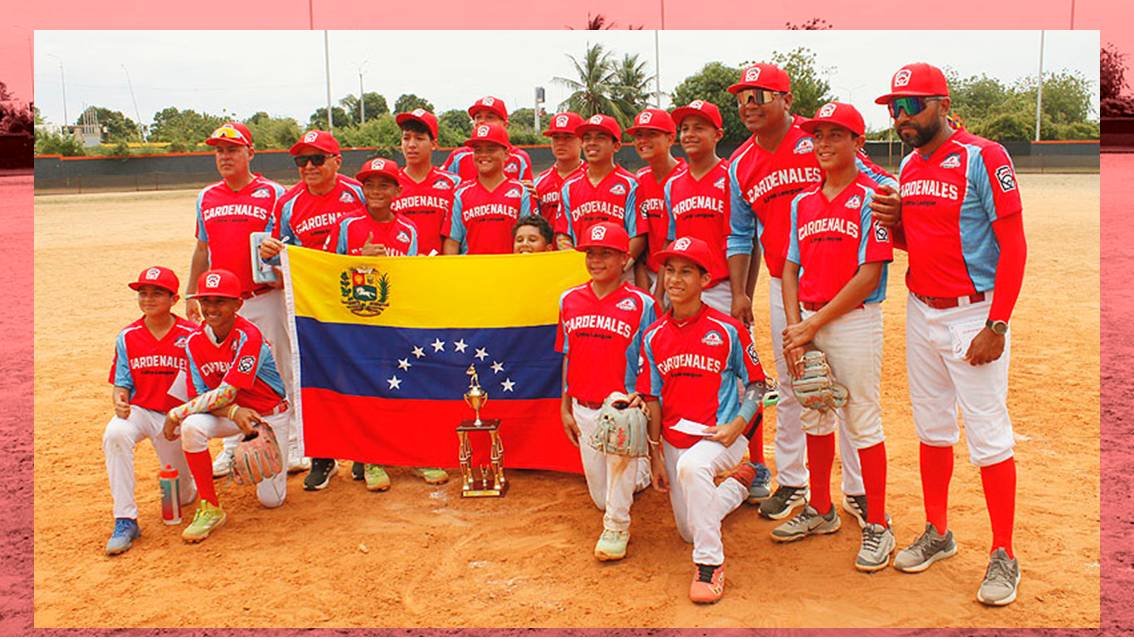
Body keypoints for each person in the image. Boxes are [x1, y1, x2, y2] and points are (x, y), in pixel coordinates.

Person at [872, 62, 1027, 605]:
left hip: (973, 313)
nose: (900, 117)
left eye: (911, 105)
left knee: (988, 435)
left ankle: (1004, 554)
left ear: (942, 102)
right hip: (922, 308)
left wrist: (997, 323)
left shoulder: (984, 157)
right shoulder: (909, 166)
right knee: (932, 425)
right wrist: (895, 226)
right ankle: (939, 531)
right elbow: (925, 243)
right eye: (894, 108)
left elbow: (1014, 245)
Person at [725, 62, 898, 523]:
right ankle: (796, 483)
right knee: (796, 387)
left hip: (845, 288)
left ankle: (859, 491)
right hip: (789, 290)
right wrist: (742, 291)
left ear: (786, 100)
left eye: (760, 95)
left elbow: (877, 181)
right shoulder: (740, 163)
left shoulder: (821, 136)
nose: (749, 105)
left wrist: (893, 200)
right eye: (742, 97)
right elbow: (742, 235)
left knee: (849, 396)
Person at [773, 102, 895, 573]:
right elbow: (788, 268)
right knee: (814, 411)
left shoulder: (873, 196)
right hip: (807, 319)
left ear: (857, 143)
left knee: (862, 419)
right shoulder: (803, 202)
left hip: (853, 321)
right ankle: (821, 508)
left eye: (835, 135)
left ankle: (878, 524)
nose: (823, 144)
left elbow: (869, 275)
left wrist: (813, 324)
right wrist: (795, 327)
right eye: (817, 135)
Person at [635, 236, 770, 604]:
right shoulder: (653, 336)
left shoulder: (728, 329)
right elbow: (652, 398)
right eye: (670, 271)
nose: (675, 280)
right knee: (690, 528)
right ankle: (742, 482)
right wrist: (656, 456)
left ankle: (710, 565)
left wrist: (738, 425)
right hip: (676, 439)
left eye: (686, 272)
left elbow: (758, 385)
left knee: (695, 469)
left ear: (705, 280)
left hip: (721, 434)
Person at [664, 99, 773, 503]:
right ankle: (703, 455)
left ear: (717, 134)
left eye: (699, 127)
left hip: (727, 287)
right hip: (685, 288)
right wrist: (665, 293)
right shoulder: (675, 184)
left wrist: (744, 293)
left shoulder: (731, 176)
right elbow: (672, 245)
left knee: (745, 376)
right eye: (685, 128)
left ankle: (755, 462)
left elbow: (750, 240)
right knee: (696, 373)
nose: (690, 135)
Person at [185, 123, 298, 478]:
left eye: (232, 149)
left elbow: (288, 245)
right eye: (219, 151)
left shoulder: (274, 192)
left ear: (250, 152)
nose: (224, 156)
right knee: (224, 375)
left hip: (266, 296)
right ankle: (231, 447)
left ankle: (293, 444)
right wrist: (192, 293)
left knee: (279, 370)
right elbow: (202, 249)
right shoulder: (207, 196)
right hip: (222, 305)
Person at [259, 129, 366, 490]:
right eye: (302, 160)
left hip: (355, 297)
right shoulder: (288, 202)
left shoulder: (355, 194)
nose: (309, 166)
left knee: (360, 372)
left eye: (317, 159)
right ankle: (323, 456)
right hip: (309, 302)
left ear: (337, 161)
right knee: (316, 377)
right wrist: (271, 257)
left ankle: (365, 453)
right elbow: (274, 256)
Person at [163, 269, 292, 543]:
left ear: (238, 304)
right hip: (233, 414)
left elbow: (225, 392)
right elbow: (200, 395)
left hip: (268, 414)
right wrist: (233, 412)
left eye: (220, 301)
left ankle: (267, 458)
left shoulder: (249, 336)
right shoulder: (195, 342)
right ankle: (210, 507)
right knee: (192, 426)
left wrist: (175, 413)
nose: (211, 308)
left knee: (272, 500)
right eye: (206, 300)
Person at [556, 222, 659, 561]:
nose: (596, 260)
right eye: (591, 253)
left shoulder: (642, 304)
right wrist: (565, 407)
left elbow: (651, 358)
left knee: (612, 502)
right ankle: (639, 470)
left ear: (625, 260)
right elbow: (568, 356)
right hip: (584, 407)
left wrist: (641, 399)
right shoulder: (569, 299)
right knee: (601, 497)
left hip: (620, 407)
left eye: (606, 254)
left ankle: (617, 526)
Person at [103, 266, 199, 555]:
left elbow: (203, 382)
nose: (148, 299)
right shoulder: (129, 335)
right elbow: (121, 383)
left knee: (182, 497)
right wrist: (119, 399)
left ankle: (189, 485)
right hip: (142, 411)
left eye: (157, 293)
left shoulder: (191, 334)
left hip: (177, 418)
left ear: (173, 299)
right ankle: (125, 519)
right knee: (115, 433)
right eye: (143, 293)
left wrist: (183, 415)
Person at [557, 114, 646, 275]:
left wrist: (621, 268)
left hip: (621, 272)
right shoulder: (569, 187)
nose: (592, 143)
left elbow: (638, 235)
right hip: (581, 271)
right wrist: (575, 265)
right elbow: (563, 234)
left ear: (616, 145)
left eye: (600, 137)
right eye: (587, 138)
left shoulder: (630, 184)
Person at [442, 123, 538, 255]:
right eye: (478, 150)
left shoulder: (522, 193)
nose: (483, 155)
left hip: (511, 271)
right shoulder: (460, 194)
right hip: (472, 272)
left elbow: (531, 240)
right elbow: (452, 242)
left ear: (506, 154)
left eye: (491, 149)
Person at [625, 108, 684, 294]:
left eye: (651, 134)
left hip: (680, 273)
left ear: (670, 139)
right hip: (648, 273)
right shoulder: (640, 179)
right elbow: (641, 236)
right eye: (639, 135)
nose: (643, 141)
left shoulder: (685, 177)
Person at [391, 109, 461, 257]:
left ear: (434, 144)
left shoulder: (453, 183)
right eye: (406, 138)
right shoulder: (390, 183)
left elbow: (457, 234)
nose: (411, 145)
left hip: (438, 270)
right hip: (399, 269)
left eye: (419, 138)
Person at [443, 96, 534, 185]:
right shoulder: (458, 156)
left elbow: (528, 194)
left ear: (505, 125)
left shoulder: (519, 158)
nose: (482, 121)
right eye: (478, 117)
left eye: (490, 117)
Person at [533, 111, 585, 245]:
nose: (561, 143)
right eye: (556, 138)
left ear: (582, 140)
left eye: (568, 137)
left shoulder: (592, 177)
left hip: (586, 257)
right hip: (550, 259)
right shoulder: (538, 183)